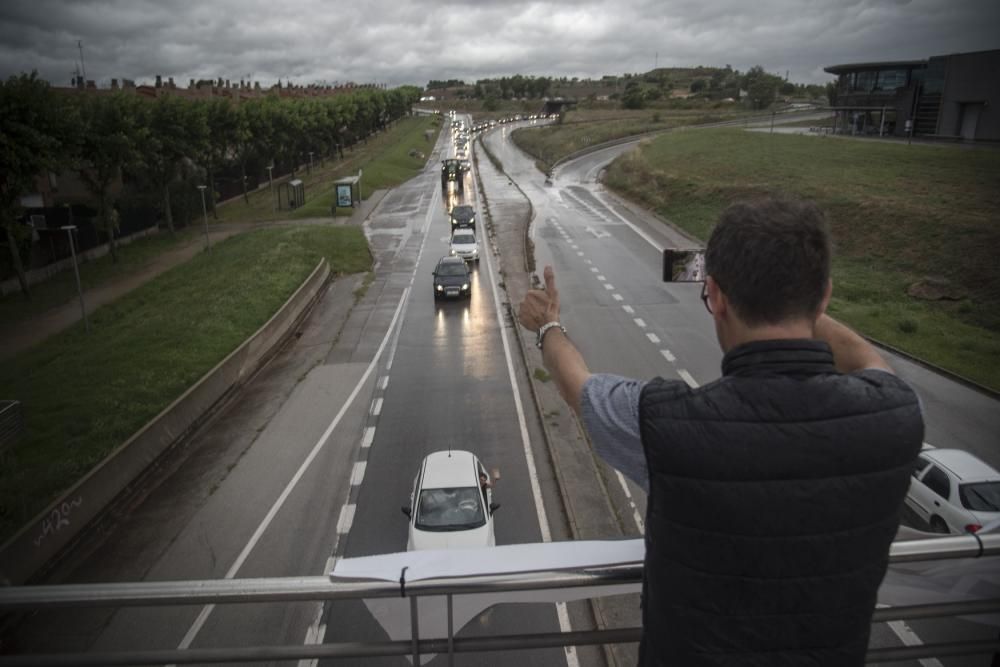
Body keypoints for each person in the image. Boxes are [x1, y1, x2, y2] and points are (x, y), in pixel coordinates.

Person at [518, 197, 923, 666]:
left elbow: (578, 388)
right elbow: (872, 362)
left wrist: (547, 324)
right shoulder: (893, 416)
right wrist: (795, 298)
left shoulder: (666, 422)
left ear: (716, 297)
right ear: (825, 296)